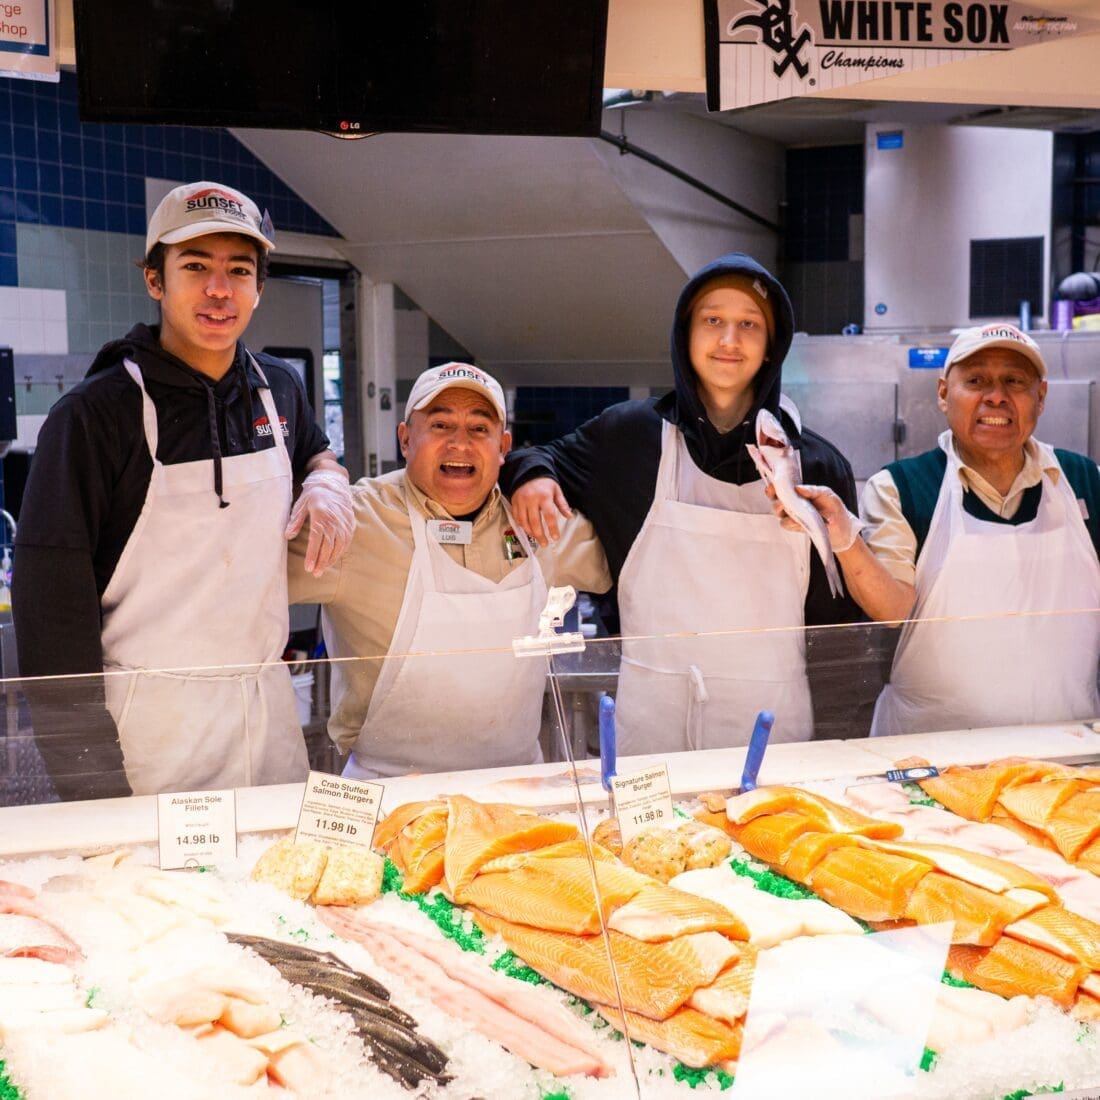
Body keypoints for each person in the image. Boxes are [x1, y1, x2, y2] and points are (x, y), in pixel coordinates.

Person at [13, 181, 355, 800]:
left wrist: (328, 476)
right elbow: (52, 625)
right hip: (149, 733)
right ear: (154, 280)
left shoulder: (278, 387)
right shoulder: (95, 416)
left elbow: (311, 449)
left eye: (238, 270)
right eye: (195, 267)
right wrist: (90, 784)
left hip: (266, 718)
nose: (219, 290)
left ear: (258, 287)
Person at [500, 253, 859, 753]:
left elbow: (839, 631)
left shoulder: (816, 466)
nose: (729, 340)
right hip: (650, 730)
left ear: (772, 345)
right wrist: (534, 475)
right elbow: (533, 456)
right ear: (684, 333)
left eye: (749, 325)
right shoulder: (629, 437)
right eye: (712, 320)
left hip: (774, 737)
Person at [289, 362, 610, 779]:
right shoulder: (358, 520)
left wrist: (536, 468)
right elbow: (245, 582)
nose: (460, 443)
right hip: (388, 789)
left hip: (518, 788)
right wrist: (317, 477)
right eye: (440, 425)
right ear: (405, 439)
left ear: (503, 446)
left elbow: (628, 567)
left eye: (480, 429)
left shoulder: (536, 517)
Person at [784, 322, 1100, 736]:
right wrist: (843, 535)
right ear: (943, 393)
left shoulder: (1084, 479)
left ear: (1040, 397)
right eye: (976, 380)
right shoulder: (901, 486)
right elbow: (892, 610)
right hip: (931, 749)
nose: (996, 396)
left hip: (1067, 747)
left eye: (1014, 381)